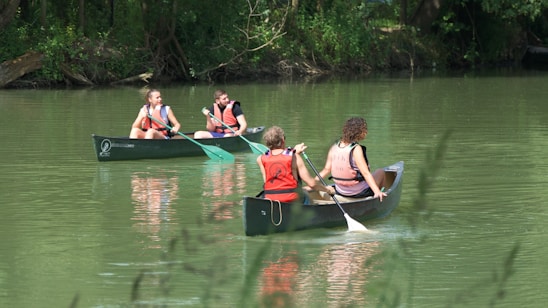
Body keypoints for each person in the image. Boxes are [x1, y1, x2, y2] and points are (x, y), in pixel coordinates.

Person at [257, 126, 335, 203]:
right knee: (307, 195)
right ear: (283, 140)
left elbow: (269, 180)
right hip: (292, 199)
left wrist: (294, 151)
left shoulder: (261, 159)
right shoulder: (295, 157)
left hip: (270, 199)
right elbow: (312, 184)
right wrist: (327, 189)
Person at [318, 117, 387, 201]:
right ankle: (380, 198)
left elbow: (326, 170)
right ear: (360, 132)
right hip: (358, 193)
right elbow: (365, 173)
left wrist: (312, 183)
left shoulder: (334, 146)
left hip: (340, 191)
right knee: (381, 172)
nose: (366, 132)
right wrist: (376, 191)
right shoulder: (356, 148)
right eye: (365, 130)